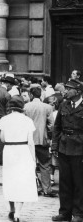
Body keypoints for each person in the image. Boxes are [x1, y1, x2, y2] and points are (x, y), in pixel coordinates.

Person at [0, 96, 38, 222]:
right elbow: (31, 142)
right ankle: (18, 213)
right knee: (21, 181)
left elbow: (3, 139)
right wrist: (33, 159)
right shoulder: (27, 121)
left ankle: (11, 209)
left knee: (10, 179)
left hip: (10, 151)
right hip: (23, 150)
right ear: (22, 107)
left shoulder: (4, 119)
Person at [52, 79, 83, 222]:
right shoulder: (63, 105)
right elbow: (57, 127)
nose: (65, 91)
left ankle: (78, 213)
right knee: (64, 182)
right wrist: (54, 146)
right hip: (64, 148)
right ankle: (65, 212)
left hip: (79, 148)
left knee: (79, 182)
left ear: (77, 91)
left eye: (68, 89)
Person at [24, 86, 56, 197]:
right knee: (45, 165)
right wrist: (50, 136)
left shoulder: (25, 107)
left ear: (31, 95)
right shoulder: (47, 107)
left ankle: (34, 187)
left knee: (30, 164)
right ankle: (46, 189)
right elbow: (51, 125)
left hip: (28, 140)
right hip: (43, 139)